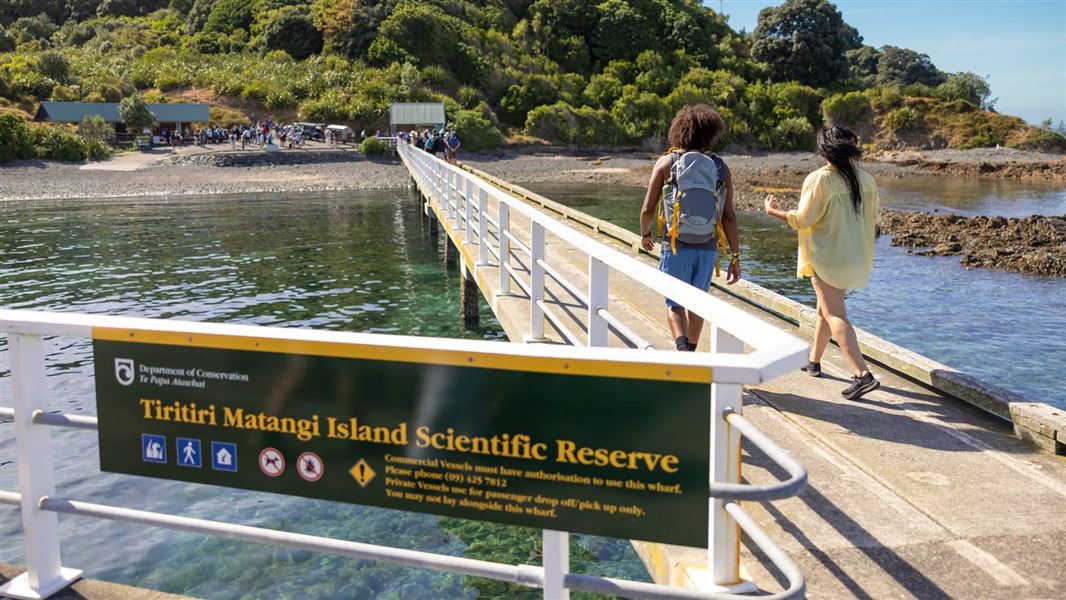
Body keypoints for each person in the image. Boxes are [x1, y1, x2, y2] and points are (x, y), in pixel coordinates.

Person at [763, 127, 881, 400]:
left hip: (827, 256)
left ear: (824, 150)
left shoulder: (820, 179)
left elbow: (803, 219)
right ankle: (814, 360)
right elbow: (875, 218)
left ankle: (862, 375)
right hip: (855, 256)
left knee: (835, 314)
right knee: (824, 309)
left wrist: (772, 211)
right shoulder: (867, 179)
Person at [639, 104, 741, 352]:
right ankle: (692, 352)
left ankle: (683, 351)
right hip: (707, 248)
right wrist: (735, 256)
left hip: (675, 246)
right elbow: (728, 217)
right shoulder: (719, 167)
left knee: (674, 304)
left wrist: (645, 234)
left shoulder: (666, 162)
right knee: (698, 304)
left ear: (678, 131)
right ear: (710, 134)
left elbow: (647, 209)